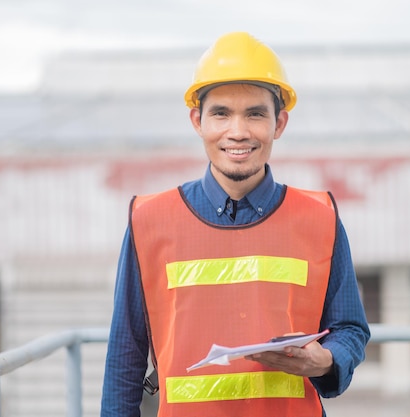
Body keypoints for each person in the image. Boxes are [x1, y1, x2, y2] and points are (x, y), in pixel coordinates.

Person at [101, 31, 370, 417]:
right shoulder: (149, 220)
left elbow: (350, 328)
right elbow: (124, 358)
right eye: (221, 113)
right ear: (198, 121)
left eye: (255, 113)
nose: (238, 131)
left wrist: (327, 360)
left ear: (280, 123)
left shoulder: (320, 216)